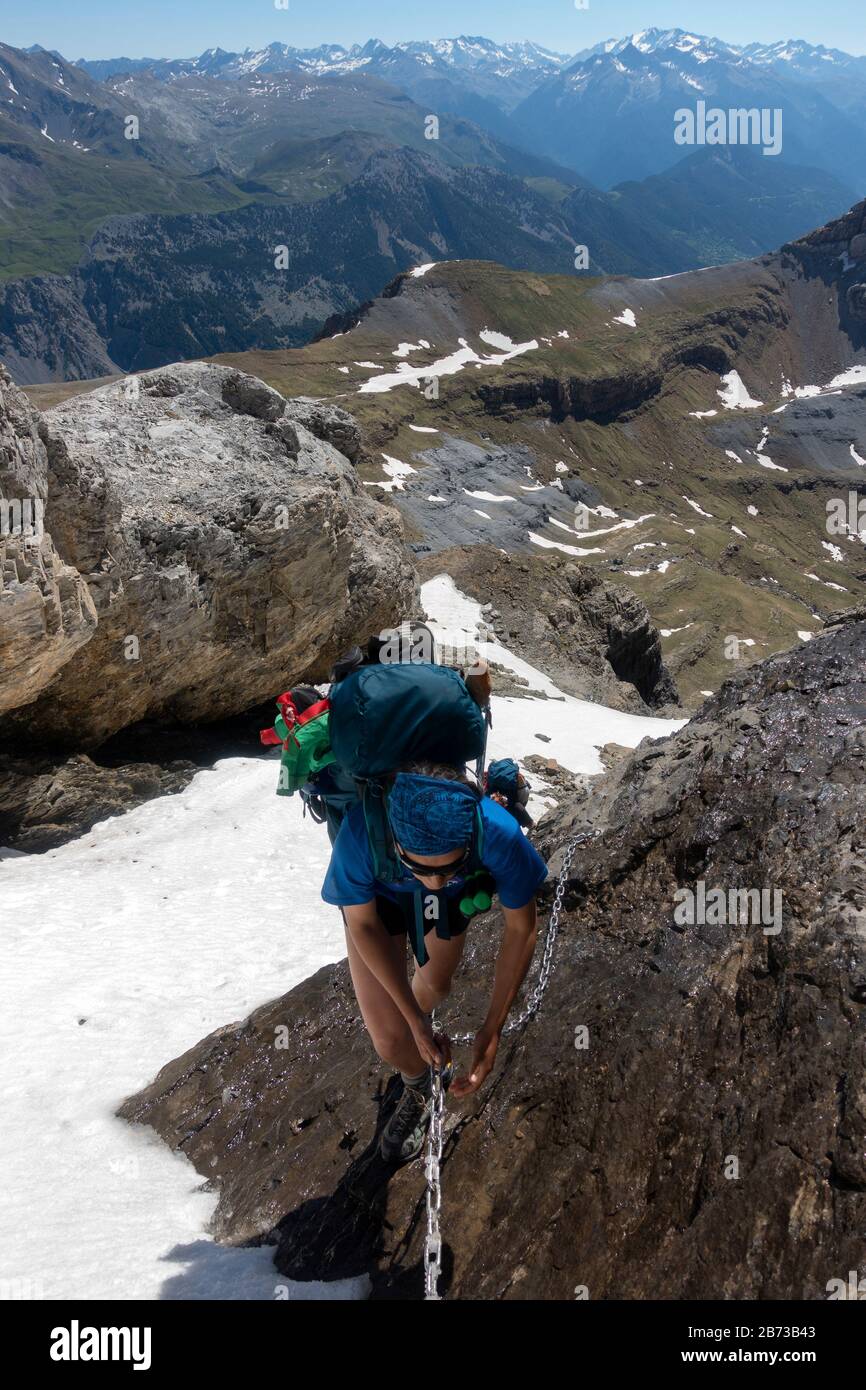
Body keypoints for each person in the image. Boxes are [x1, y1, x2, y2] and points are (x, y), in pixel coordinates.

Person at [321, 761, 548, 1164]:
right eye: (421, 867)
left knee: (437, 986)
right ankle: (418, 1080)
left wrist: (492, 1030)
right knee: (391, 1040)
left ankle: (418, 1034)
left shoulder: (497, 832)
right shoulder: (362, 833)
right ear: (395, 840)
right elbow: (362, 923)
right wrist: (410, 1021)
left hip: (441, 905)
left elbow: (521, 930)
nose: (434, 882)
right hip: (381, 900)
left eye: (449, 866)